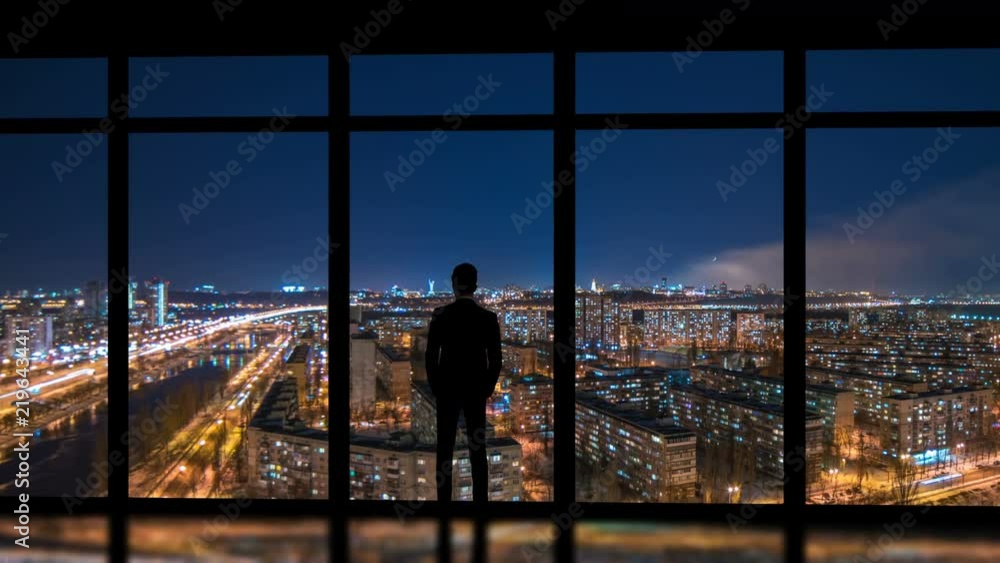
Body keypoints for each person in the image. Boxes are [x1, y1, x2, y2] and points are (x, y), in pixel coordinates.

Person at [425, 263, 502, 503]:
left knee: (444, 449)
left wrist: (437, 387)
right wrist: (487, 388)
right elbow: (496, 359)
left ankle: (443, 504)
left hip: (447, 391)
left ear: (454, 285)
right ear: (476, 286)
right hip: (476, 391)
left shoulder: (441, 317)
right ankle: (480, 504)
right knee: (478, 450)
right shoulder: (488, 319)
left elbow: (430, 357)